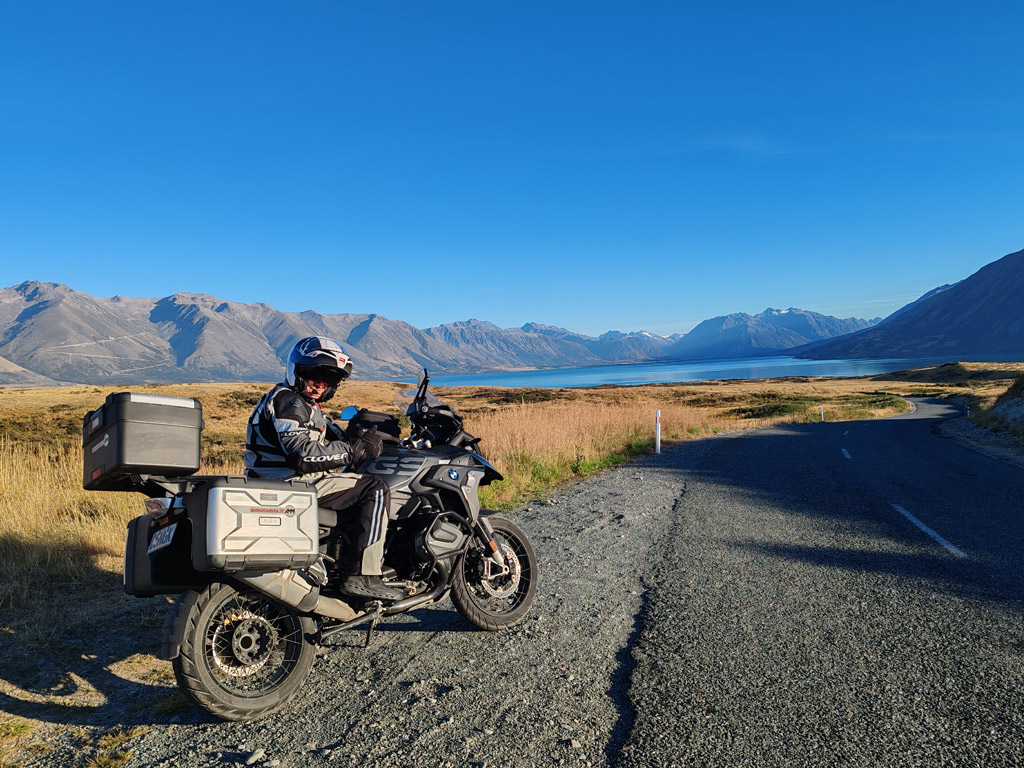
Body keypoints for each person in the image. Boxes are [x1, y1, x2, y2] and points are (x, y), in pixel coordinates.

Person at [244, 336, 405, 601]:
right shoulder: (289, 402)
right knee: (374, 489)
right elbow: (301, 454)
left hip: (276, 481)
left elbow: (335, 436)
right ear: (298, 371)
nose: (321, 384)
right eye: (315, 374)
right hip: (291, 483)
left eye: (329, 379)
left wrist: (368, 434)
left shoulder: (306, 407)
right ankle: (364, 575)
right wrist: (353, 450)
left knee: (356, 483)